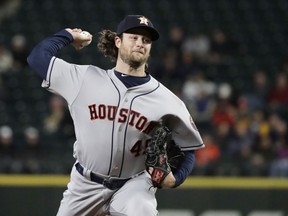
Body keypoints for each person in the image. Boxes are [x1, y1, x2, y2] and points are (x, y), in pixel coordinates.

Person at [27, 15, 204, 216]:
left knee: (143, 211)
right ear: (118, 41)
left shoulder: (167, 100)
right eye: (134, 37)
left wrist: (175, 179)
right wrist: (68, 35)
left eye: (146, 40)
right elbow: (37, 58)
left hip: (134, 183)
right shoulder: (84, 79)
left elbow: (189, 148)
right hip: (85, 184)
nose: (140, 43)